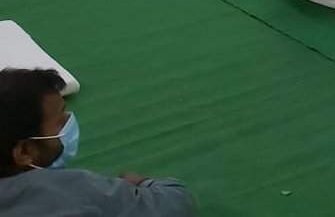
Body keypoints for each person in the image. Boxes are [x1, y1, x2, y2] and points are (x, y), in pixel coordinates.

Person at [0, 67, 195, 216]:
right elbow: (173, 204)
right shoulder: (72, 192)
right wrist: (143, 183)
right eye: (60, 120)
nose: (69, 121)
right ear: (24, 151)